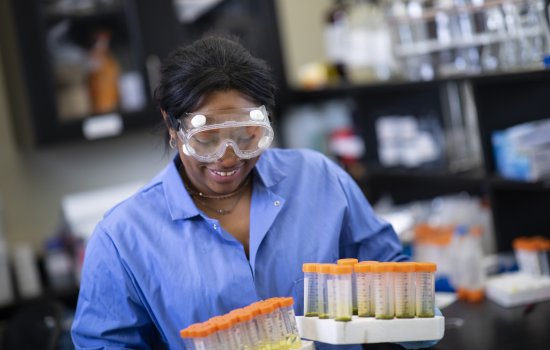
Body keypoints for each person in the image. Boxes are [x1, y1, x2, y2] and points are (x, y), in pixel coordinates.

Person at [71, 35, 438, 349]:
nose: (228, 156)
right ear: (172, 126)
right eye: (207, 139)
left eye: (246, 135)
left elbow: (392, 274)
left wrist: (416, 317)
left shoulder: (319, 178)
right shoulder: (122, 238)